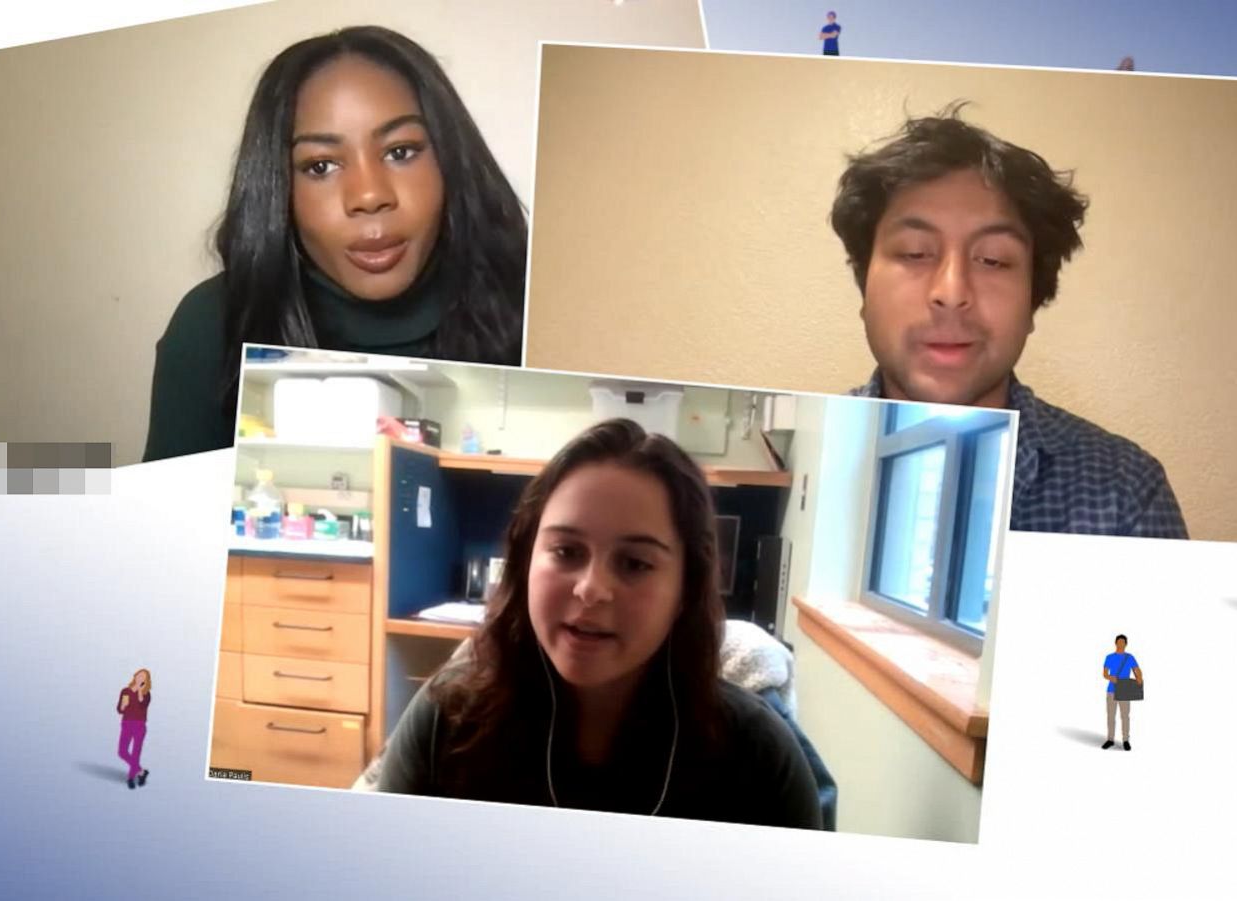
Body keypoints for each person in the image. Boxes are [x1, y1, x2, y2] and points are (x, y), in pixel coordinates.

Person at [378, 419, 822, 828]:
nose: (591, 589)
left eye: (634, 563)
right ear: (525, 559)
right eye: (567, 552)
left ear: (685, 588)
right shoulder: (446, 723)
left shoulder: (760, 761)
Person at [144, 26, 527, 463]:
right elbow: (161, 528)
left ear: (450, 159)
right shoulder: (211, 325)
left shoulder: (541, 304)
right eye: (320, 165)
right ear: (279, 187)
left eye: (400, 151)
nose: (368, 195)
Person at [832, 103, 1187, 538]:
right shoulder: (815, 454)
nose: (952, 292)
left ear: (1033, 301)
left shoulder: (1125, 493)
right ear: (864, 286)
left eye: (994, 260)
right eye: (914, 253)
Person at [1101, 634, 1141, 750]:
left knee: (1125, 716)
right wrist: (1110, 677)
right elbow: (1104, 673)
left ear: (1126, 644)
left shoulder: (1130, 657)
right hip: (1111, 690)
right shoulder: (1109, 657)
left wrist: (1139, 677)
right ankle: (1110, 739)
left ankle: (1125, 740)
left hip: (1125, 690)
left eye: (1123, 642)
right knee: (1110, 716)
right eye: (1119, 642)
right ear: (1115, 643)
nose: (1121, 644)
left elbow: (1136, 670)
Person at [117, 669, 153, 790]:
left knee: (136, 753)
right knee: (122, 752)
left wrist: (139, 690)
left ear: (146, 681)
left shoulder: (146, 694)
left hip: (139, 725)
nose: (140, 677)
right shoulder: (125, 691)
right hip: (126, 724)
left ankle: (131, 778)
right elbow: (120, 710)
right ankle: (141, 772)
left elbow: (142, 704)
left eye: (144, 677)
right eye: (139, 675)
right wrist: (123, 705)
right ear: (135, 675)